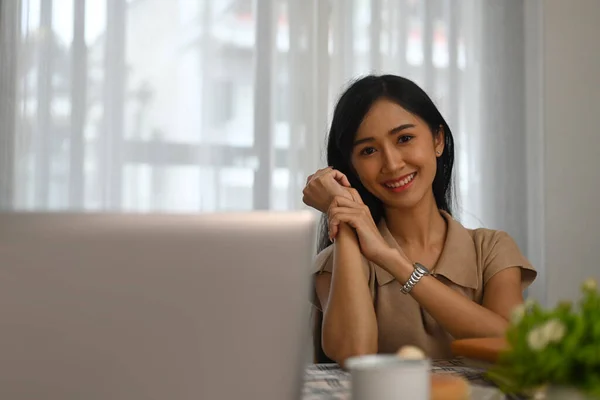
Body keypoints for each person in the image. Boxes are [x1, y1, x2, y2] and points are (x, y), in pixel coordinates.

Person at [302, 75, 536, 365]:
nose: (392, 163)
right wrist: (345, 218)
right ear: (352, 168)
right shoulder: (338, 263)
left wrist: (393, 261)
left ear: (438, 140)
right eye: (369, 150)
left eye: (404, 138)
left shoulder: (491, 249)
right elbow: (354, 353)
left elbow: (513, 345)